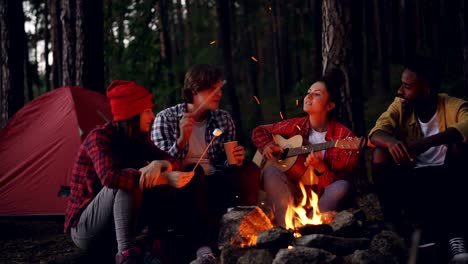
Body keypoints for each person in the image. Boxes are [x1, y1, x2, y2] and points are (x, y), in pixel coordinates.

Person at [63, 80, 201, 264]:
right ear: (132, 114)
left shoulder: (139, 139)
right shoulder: (100, 137)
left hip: (120, 226)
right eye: (147, 111)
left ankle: (156, 244)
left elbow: (175, 161)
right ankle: (126, 256)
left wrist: (160, 164)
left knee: (152, 174)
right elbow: (110, 177)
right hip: (86, 230)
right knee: (130, 177)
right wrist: (163, 178)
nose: (152, 116)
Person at [151, 63, 261, 255]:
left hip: (216, 179)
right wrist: (181, 141)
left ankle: (247, 229)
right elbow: (163, 166)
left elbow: (225, 163)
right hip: (183, 186)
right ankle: (201, 245)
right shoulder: (166, 119)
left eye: (219, 89)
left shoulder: (222, 119)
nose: (218, 94)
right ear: (193, 92)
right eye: (212, 89)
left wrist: (234, 159)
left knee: (249, 169)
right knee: (195, 171)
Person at [368, 55, 468, 263]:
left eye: (407, 86)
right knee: (379, 151)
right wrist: (391, 143)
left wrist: (427, 142)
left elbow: (466, 125)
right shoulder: (401, 105)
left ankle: (454, 237)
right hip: (414, 175)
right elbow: (377, 131)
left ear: (427, 91)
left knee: (459, 143)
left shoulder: (452, 105)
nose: (400, 91)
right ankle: (394, 227)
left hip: (449, 175)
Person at [251, 69, 360, 228]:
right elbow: (260, 131)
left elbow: (339, 184)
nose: (308, 96)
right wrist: (267, 145)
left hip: (325, 200)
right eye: (309, 92)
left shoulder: (344, 138)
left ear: (330, 105)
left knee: (341, 188)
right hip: (295, 195)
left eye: (316, 94)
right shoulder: (296, 126)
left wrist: (321, 168)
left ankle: (311, 227)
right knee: (270, 172)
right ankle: (284, 228)